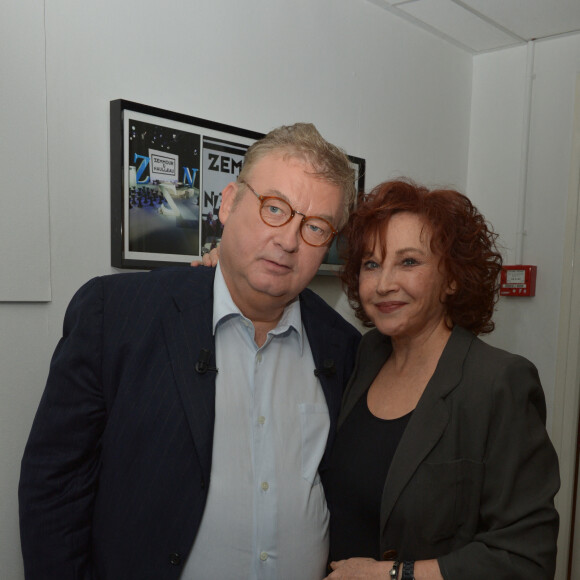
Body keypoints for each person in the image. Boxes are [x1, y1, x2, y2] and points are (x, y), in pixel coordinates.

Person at [18, 123, 362, 580]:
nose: (289, 240)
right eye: (274, 208)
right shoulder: (117, 316)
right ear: (228, 202)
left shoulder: (342, 344)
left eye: (316, 226)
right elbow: (54, 486)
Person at [321, 179, 560, 580]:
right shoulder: (365, 355)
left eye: (409, 262)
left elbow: (526, 558)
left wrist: (395, 575)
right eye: (371, 264)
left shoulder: (499, 382)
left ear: (451, 278)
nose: (384, 284)